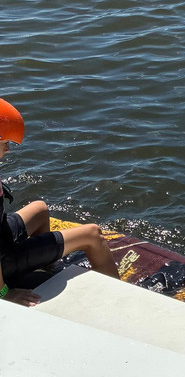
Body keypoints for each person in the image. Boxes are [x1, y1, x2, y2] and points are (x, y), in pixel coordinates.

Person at [0, 98, 120, 307]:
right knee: (92, 235)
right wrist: (3, 293)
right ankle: (118, 302)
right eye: (4, 143)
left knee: (40, 209)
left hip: (4, 234)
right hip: (3, 258)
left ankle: (45, 267)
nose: (8, 149)